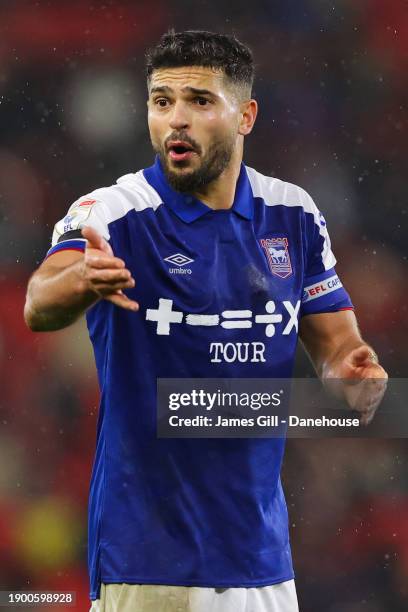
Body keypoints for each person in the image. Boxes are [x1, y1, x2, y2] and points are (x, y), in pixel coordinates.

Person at [24, 30, 387, 612]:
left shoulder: (292, 213)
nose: (176, 120)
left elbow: (336, 344)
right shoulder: (114, 211)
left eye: (199, 101)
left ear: (245, 116)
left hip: (263, 563)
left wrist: (352, 370)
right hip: (148, 560)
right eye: (162, 101)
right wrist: (79, 281)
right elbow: (39, 303)